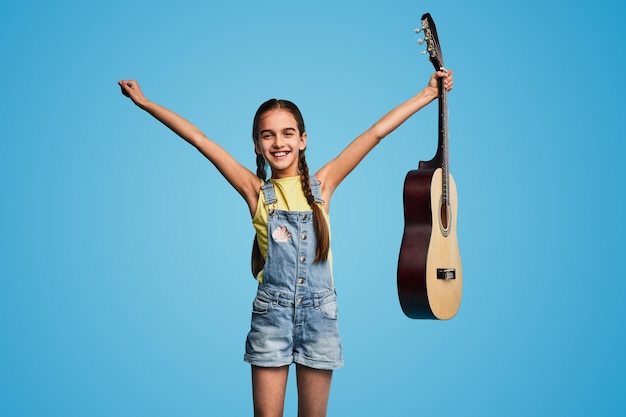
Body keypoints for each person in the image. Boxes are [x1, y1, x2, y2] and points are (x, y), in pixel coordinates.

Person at [118, 69, 453, 417]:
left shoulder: (324, 183)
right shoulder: (254, 191)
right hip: (271, 316)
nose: (279, 142)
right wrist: (145, 103)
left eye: (287, 133)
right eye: (268, 135)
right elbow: (201, 140)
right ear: (258, 145)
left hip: (320, 316)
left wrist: (427, 95)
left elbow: (375, 133)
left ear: (303, 139)